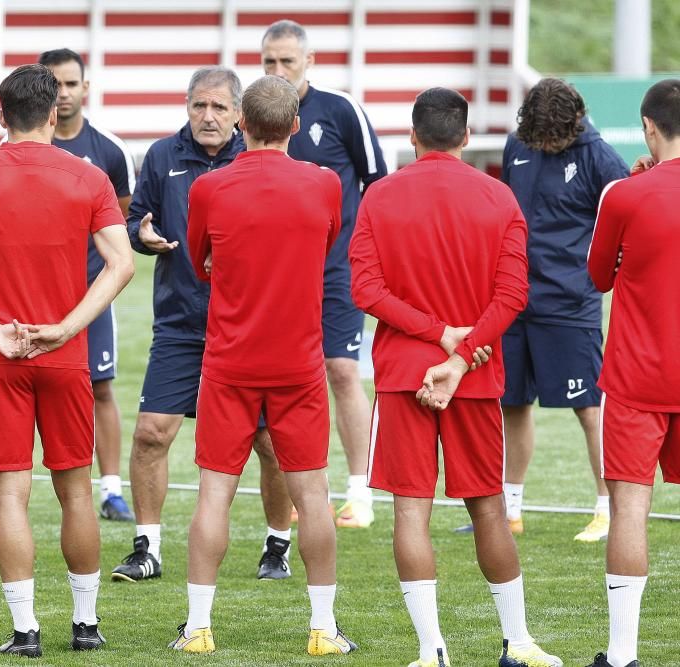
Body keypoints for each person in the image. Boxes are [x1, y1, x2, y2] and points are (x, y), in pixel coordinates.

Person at [349, 88, 561, 667]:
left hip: (401, 375)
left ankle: (431, 651)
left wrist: (440, 337)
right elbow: (514, 294)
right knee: (489, 507)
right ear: (467, 137)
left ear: (412, 137)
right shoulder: (499, 197)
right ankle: (517, 642)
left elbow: (365, 290)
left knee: (410, 510)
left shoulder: (380, 197)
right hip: (475, 374)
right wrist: (462, 351)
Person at [0, 64, 134, 656]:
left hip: (3, 357)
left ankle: (25, 631)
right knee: (76, 490)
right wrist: (69, 326)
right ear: (52, 115)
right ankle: (86, 624)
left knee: (11, 494)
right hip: (65, 352)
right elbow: (121, 263)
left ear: (0, 117)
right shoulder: (88, 178)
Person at [171, 75, 354, 656]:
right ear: (295, 126)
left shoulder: (210, 187)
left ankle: (198, 628)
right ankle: (322, 630)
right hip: (299, 363)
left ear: (240, 125)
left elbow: (199, 261)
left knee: (213, 496)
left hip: (229, 362)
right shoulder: (324, 184)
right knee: (315, 497)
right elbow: (324, 246)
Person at [111, 66, 295, 584]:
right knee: (151, 434)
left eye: (218, 107)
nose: (207, 116)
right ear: (187, 107)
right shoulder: (162, 157)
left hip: (246, 327)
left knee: (268, 441)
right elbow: (135, 219)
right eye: (198, 106)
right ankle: (147, 548)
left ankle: (277, 545)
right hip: (180, 323)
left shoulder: (260, 157)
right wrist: (139, 233)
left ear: (240, 114)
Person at [455, 78, 629, 540]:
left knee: (589, 408)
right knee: (511, 403)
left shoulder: (601, 157)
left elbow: (627, 221)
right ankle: (509, 508)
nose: (545, 145)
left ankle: (607, 509)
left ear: (575, 124)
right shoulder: (518, 145)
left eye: (553, 137)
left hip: (571, 305)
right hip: (512, 301)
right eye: (538, 137)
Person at [0, 47, 136, 524]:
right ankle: (4, 489)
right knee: (60, 483)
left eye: (70, 83)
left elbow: (120, 229)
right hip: (29, 317)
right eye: (55, 84)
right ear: (46, 102)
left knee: (101, 390)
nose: (63, 92)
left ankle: (112, 488)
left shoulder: (105, 154)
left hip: (83, 303)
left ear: (85, 88)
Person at [260, 19, 387, 528]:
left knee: (341, 370)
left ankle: (360, 493)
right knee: (284, 379)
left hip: (336, 271)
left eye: (287, 60)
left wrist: (373, 255)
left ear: (309, 61)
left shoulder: (339, 110)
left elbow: (378, 183)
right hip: (275, 278)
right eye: (269, 61)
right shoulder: (256, 110)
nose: (278, 70)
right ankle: (296, 491)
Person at [584, 79, 680, 667]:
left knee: (628, 509)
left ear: (648, 127)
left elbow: (598, 276)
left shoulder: (624, 193)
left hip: (638, 377)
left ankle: (622, 656)